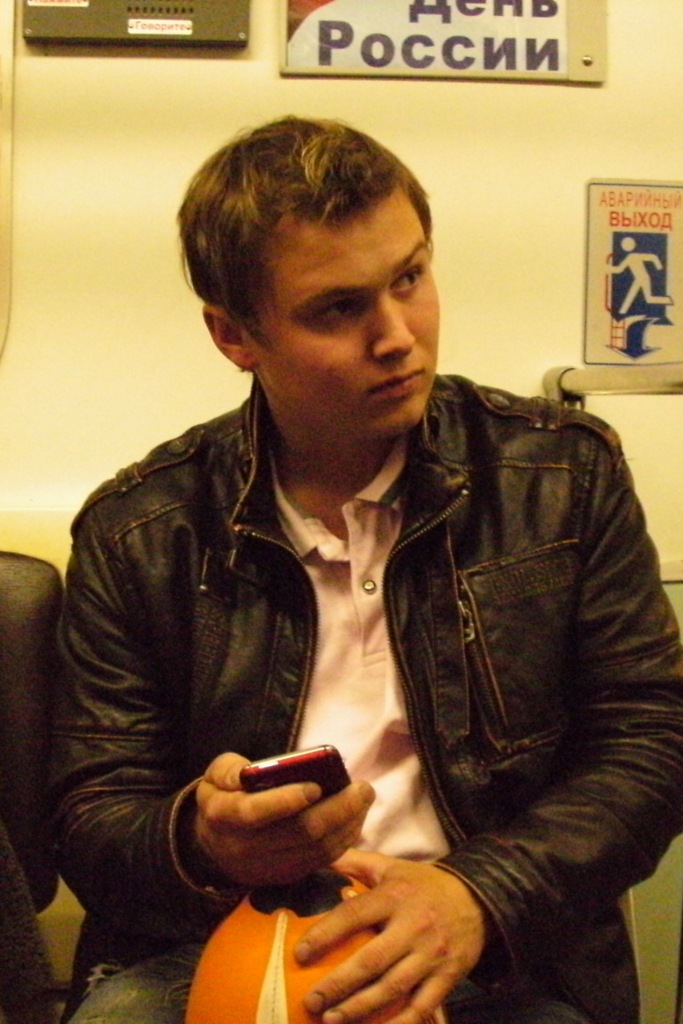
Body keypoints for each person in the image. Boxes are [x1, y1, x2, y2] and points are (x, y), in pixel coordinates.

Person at [51, 115, 683, 1024]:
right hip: (221, 940)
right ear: (234, 335)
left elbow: (650, 741)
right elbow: (91, 815)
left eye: (409, 278)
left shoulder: (560, 474)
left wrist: (478, 892)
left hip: (493, 946)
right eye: (338, 309)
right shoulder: (139, 530)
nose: (397, 336)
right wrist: (202, 842)